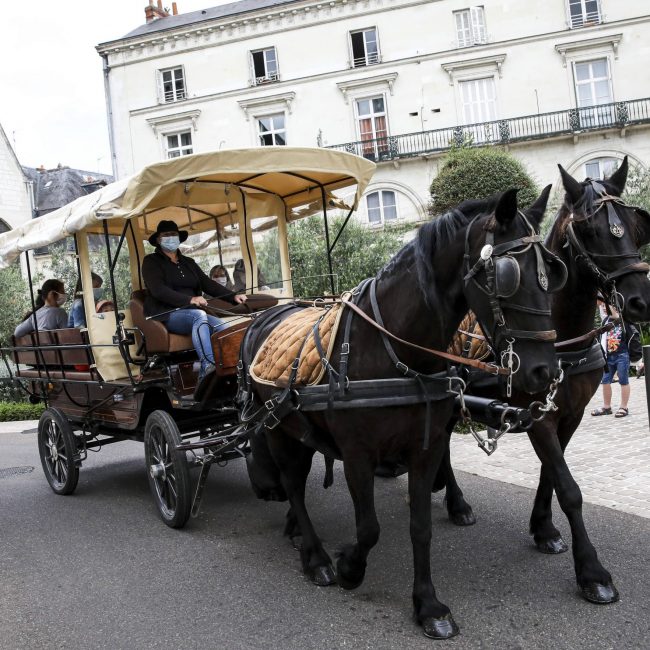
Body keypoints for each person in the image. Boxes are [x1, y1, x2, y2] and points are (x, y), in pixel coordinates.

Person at [142, 220, 246, 379]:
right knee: (199, 316)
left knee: (223, 327)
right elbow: (158, 290)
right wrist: (189, 299)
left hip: (191, 311)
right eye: (166, 235)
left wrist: (233, 296)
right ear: (158, 239)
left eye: (173, 234)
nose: (171, 238)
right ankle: (208, 366)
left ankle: (234, 367)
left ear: (179, 237)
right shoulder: (151, 262)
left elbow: (208, 284)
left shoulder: (188, 263)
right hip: (166, 313)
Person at [592, 302, 641, 418]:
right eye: (602, 307)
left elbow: (632, 335)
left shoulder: (623, 321)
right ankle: (606, 407)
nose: (604, 308)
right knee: (605, 381)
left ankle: (624, 407)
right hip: (609, 357)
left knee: (623, 381)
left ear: (614, 307)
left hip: (622, 355)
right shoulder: (606, 321)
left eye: (606, 306)